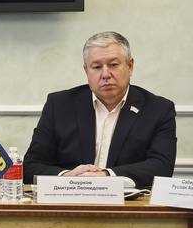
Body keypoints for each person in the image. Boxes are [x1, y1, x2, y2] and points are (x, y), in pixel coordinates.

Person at [23, 31, 176, 188]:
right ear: (86, 71)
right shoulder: (59, 105)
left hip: (127, 201)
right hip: (69, 197)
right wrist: (68, 177)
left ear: (130, 66)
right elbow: (31, 166)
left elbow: (161, 167)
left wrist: (106, 176)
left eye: (113, 65)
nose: (105, 74)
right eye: (96, 67)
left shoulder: (158, 109)